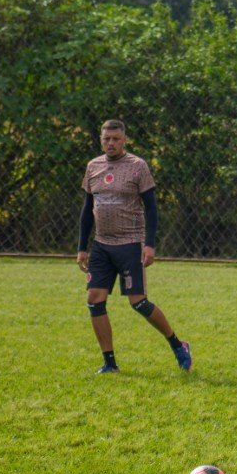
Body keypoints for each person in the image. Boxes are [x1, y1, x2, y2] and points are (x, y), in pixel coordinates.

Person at [77, 119, 192, 374]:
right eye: (106, 139)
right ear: (101, 140)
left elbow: (151, 208)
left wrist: (149, 245)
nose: (111, 143)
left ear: (124, 140)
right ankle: (109, 363)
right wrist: (82, 248)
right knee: (94, 300)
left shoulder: (137, 166)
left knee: (138, 302)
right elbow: (87, 209)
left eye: (116, 139)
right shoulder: (93, 166)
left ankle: (177, 345)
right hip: (101, 245)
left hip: (130, 243)